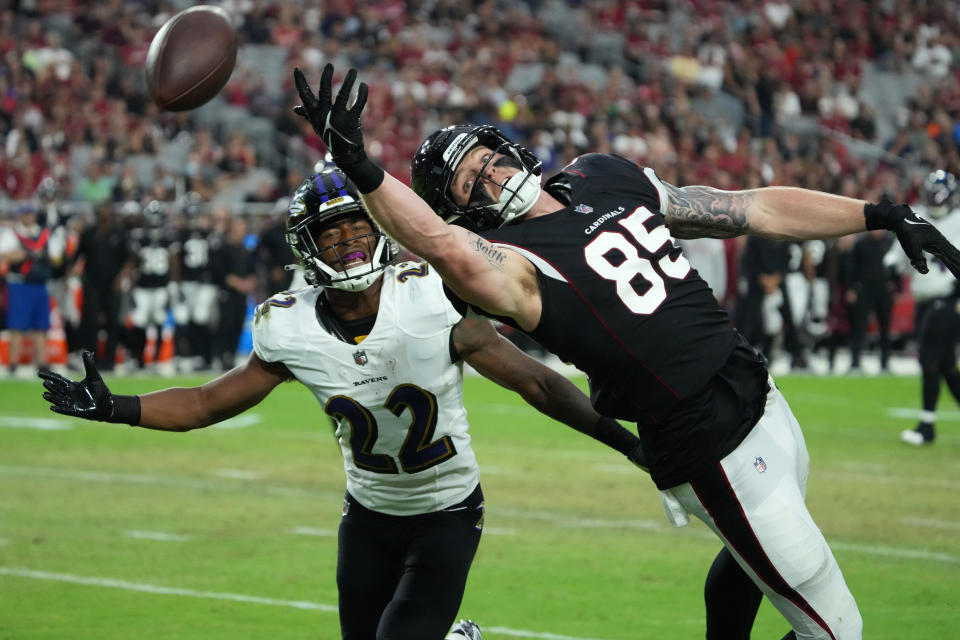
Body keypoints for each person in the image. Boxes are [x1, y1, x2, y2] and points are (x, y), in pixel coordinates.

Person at [291, 63, 960, 640]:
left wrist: (879, 212)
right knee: (839, 627)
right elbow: (439, 244)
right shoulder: (511, 267)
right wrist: (360, 164)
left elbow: (748, 206)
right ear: (463, 214)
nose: (491, 177)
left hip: (757, 392)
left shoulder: (602, 175)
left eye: (488, 159)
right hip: (707, 443)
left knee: (746, 565)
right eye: (469, 185)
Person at [39, 168, 646, 640]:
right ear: (309, 247)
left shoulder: (432, 299)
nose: (352, 243)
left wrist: (629, 443)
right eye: (334, 234)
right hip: (368, 518)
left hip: (447, 512)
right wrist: (114, 406)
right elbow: (204, 403)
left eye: (359, 228)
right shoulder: (289, 328)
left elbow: (536, 384)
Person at [885, 170, 960, 445]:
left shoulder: (958, 221)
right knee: (946, 365)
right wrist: (892, 270)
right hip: (925, 301)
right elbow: (895, 258)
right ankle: (927, 424)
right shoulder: (915, 215)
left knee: (929, 358)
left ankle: (926, 426)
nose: (937, 200)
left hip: (949, 299)